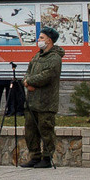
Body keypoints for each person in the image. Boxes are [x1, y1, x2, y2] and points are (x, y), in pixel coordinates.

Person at [22, 26, 63, 168]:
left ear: (49, 41)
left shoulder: (55, 58)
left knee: (46, 130)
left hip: (46, 102)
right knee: (30, 131)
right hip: (32, 101)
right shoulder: (37, 56)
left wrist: (31, 82)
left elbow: (48, 75)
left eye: (41, 38)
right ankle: (34, 156)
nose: (38, 40)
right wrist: (27, 82)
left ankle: (46, 158)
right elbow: (28, 72)